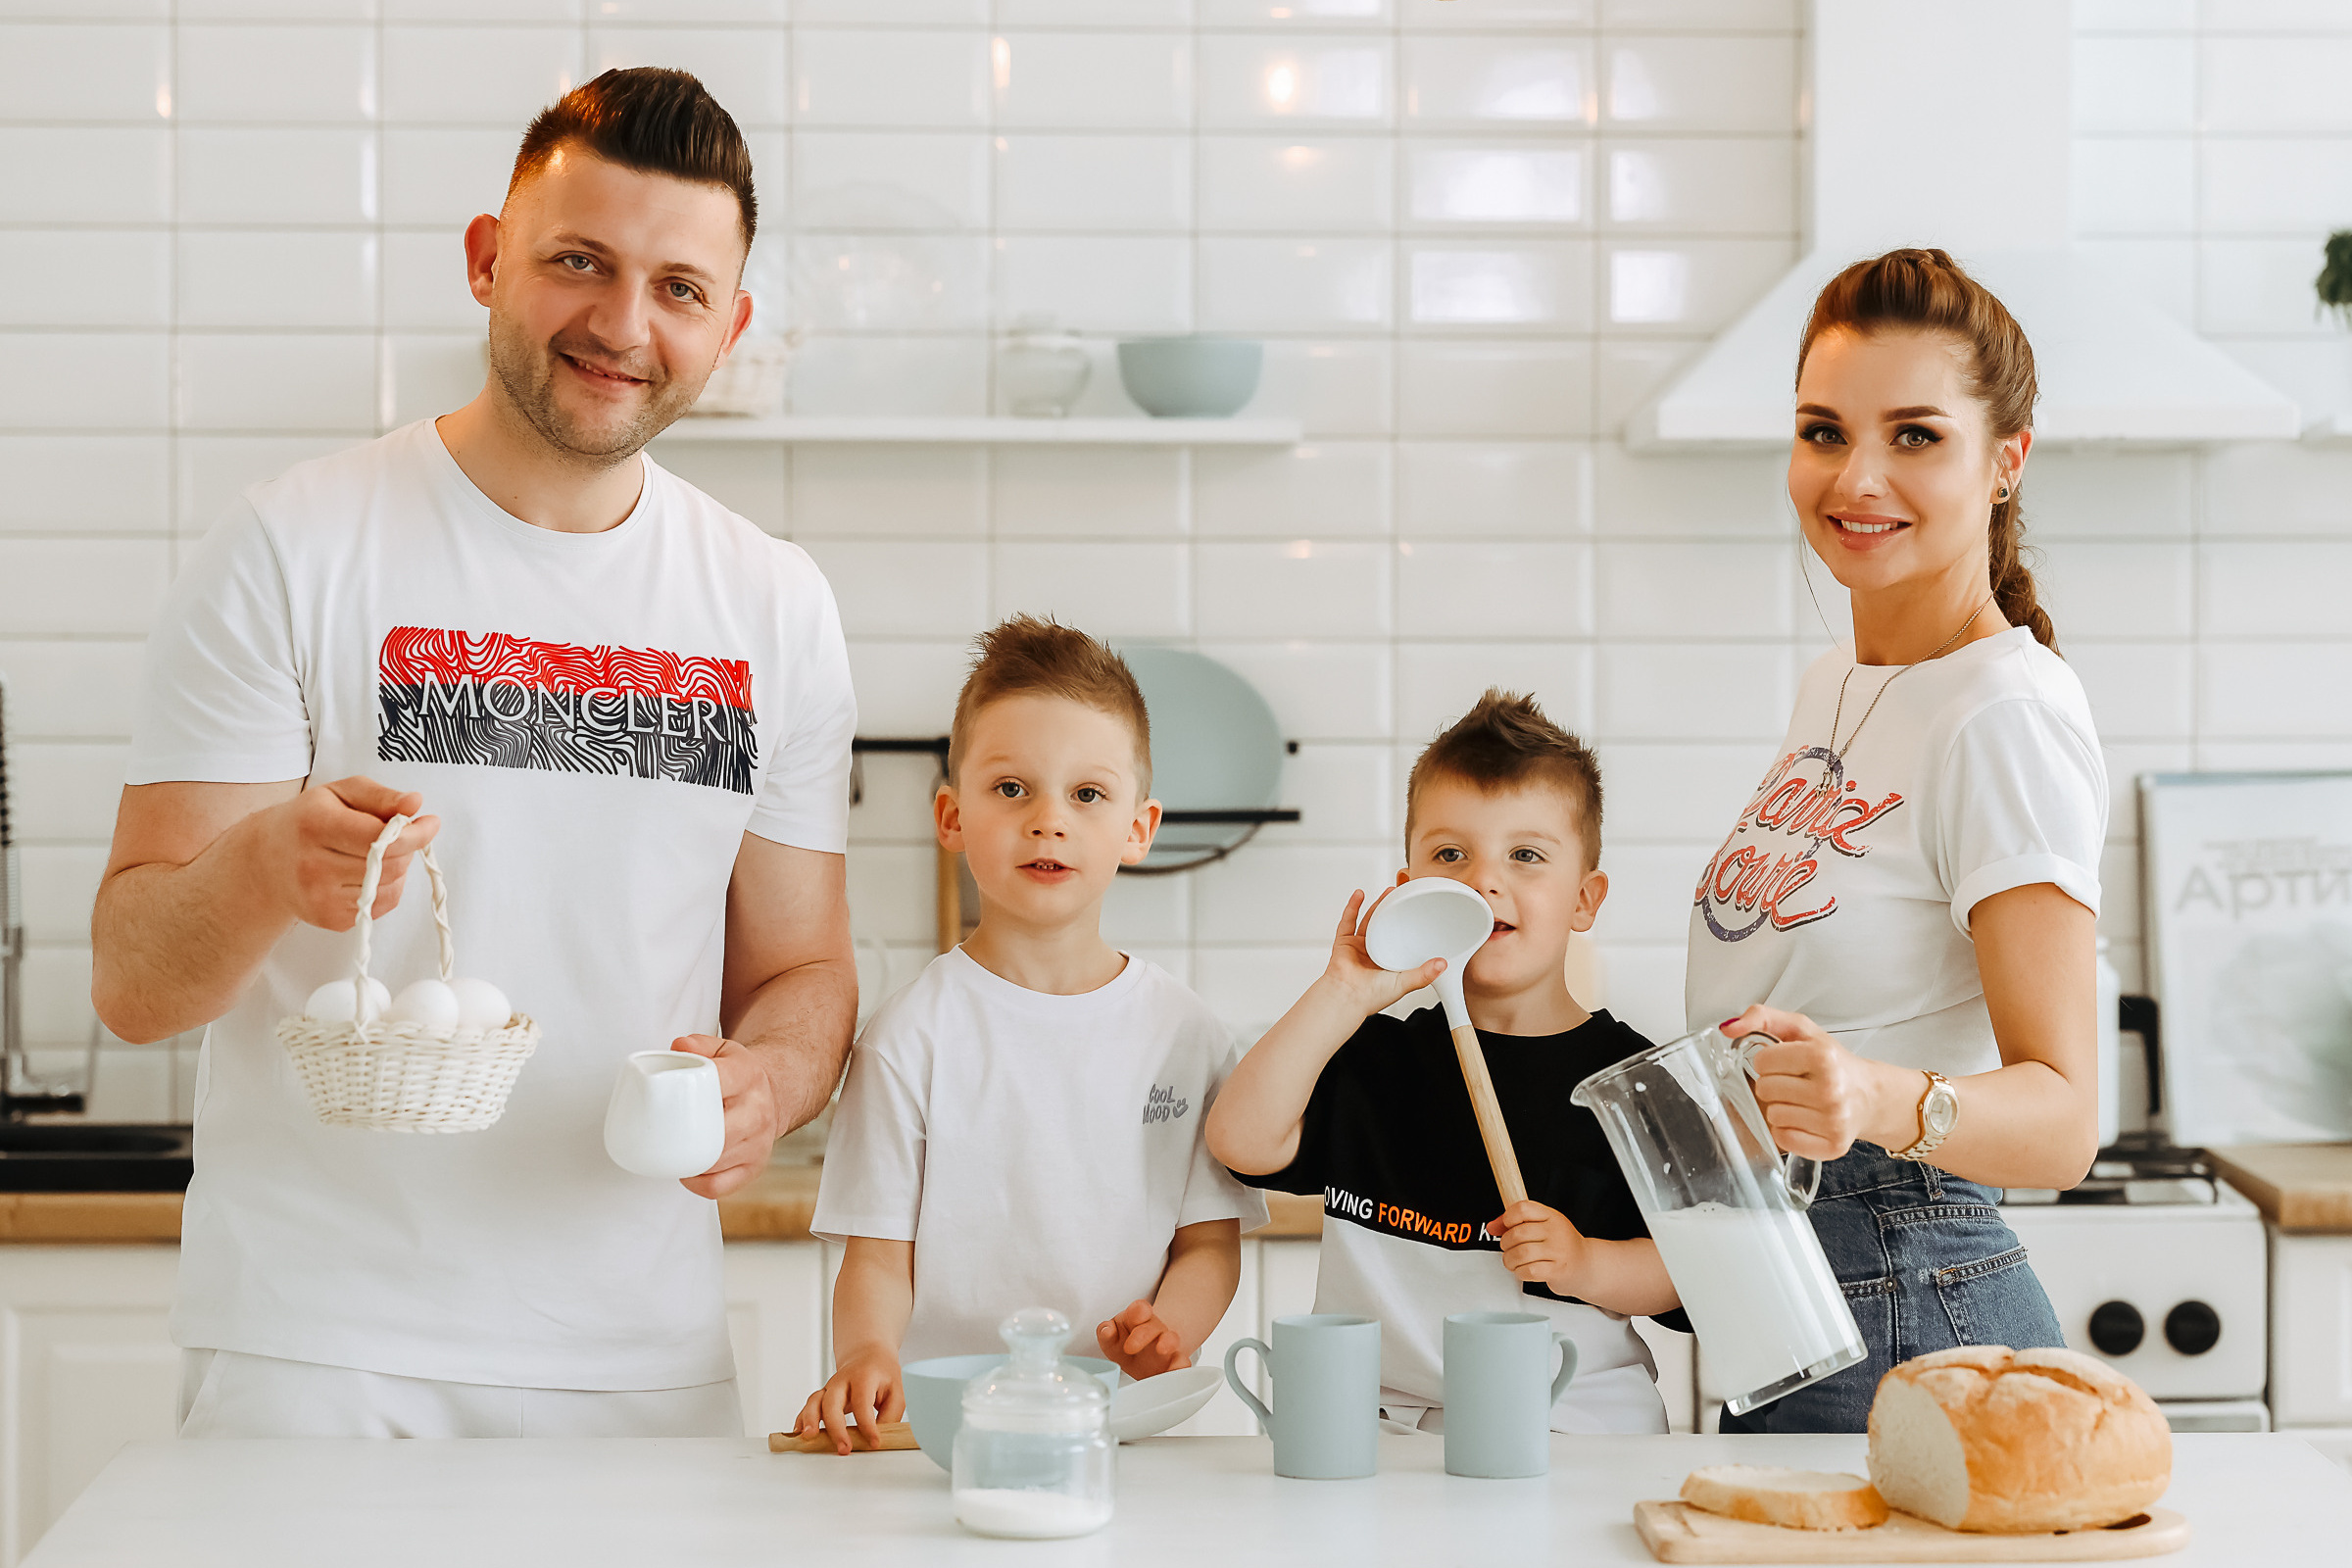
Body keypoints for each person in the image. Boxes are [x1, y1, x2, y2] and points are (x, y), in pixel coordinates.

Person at [90, 69, 858, 1439]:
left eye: (680, 289)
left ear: (730, 327)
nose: (624, 324)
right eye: (580, 262)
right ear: (488, 259)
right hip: (317, 1361)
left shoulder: (777, 605)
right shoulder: (294, 546)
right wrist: (270, 863)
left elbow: (801, 968)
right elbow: (136, 983)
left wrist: (778, 1080)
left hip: (642, 1368)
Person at [1687, 249, 2104, 1434]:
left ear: (2005, 461)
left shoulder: (2003, 713)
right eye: (1824, 430)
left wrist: (1865, 1092)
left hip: (1908, 1289)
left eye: (1915, 435)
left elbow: (2067, 1120)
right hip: (1789, 1281)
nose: (1856, 475)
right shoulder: (1841, 682)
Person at [795, 616, 1264, 1453]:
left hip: (1129, 1429)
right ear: (951, 814)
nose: (1049, 820)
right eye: (1012, 789)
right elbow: (875, 1260)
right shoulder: (909, 1037)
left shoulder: (1186, 1036)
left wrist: (1171, 1327)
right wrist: (866, 1354)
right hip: (958, 1436)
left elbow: (1209, 1246)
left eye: (1087, 795)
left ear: (1138, 828)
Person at [1207, 690, 1686, 1436]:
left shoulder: (1639, 1084)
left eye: (1525, 855)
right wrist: (1343, 991)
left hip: (1571, 1426)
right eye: (1449, 854)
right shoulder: (1372, 1055)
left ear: (1584, 899)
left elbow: (1689, 1272)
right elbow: (1241, 1140)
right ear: (1409, 891)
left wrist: (1586, 1263)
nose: (1482, 879)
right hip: (1375, 1428)